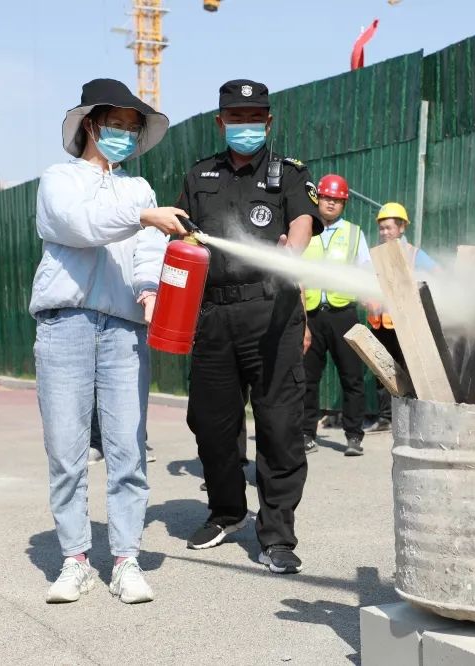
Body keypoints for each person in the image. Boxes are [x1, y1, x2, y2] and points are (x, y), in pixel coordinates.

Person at [30, 79, 192, 603]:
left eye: (131, 127)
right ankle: (74, 560)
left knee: (128, 449)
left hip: (124, 329)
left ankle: (126, 560)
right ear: (90, 126)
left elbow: (149, 249)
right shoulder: (59, 180)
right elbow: (79, 225)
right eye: (115, 124)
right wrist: (142, 216)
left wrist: (149, 289)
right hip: (66, 324)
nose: (124, 133)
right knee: (67, 450)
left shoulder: (138, 188)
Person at [174, 79, 322, 574]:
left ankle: (277, 533)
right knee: (211, 423)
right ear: (221, 122)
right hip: (213, 315)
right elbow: (181, 237)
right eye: (236, 118)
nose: (246, 125)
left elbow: (302, 221)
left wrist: (290, 253)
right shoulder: (200, 175)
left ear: (268, 122)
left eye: (255, 117)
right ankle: (226, 511)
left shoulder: (290, 174)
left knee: (279, 426)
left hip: (272, 312)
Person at [301, 174, 370, 456]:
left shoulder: (354, 233)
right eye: (326, 198)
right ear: (318, 199)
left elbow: (365, 269)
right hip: (310, 315)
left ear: (344, 204)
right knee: (307, 378)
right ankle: (306, 434)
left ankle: (354, 436)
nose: (331, 203)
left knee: (352, 377)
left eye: (337, 200)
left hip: (343, 314)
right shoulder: (304, 230)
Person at [365, 202, 437, 431]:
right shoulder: (374, 255)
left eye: (389, 227)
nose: (384, 232)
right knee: (382, 371)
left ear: (402, 227)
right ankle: (386, 418)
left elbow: (437, 275)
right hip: (380, 324)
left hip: (406, 325)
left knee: (410, 370)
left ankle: (413, 417)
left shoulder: (414, 254)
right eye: (381, 228)